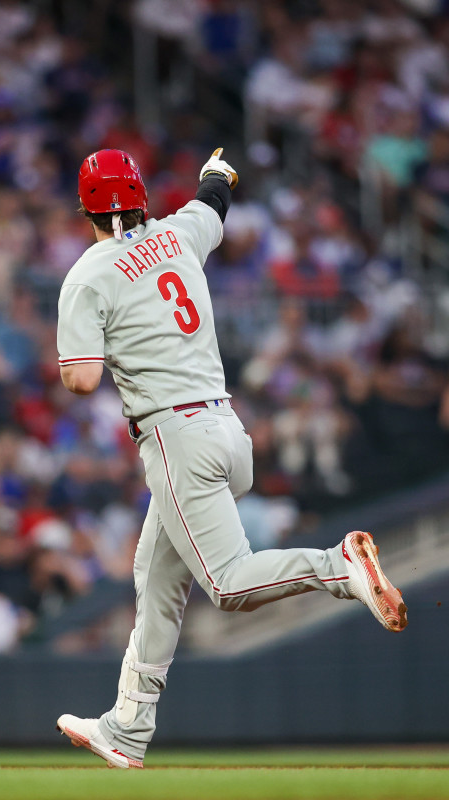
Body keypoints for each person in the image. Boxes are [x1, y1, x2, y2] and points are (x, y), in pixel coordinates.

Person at [52, 149, 407, 769]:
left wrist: (112, 338)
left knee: (225, 584)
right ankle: (128, 729)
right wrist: (217, 173)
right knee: (156, 581)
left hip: (175, 438)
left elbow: (81, 380)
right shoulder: (177, 231)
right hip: (225, 428)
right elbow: (214, 201)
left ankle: (336, 564)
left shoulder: (88, 275)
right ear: (138, 196)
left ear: (85, 207)